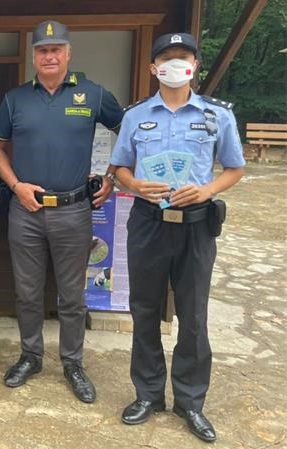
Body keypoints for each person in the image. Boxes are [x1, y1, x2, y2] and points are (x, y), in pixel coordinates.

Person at [110, 33, 245, 443]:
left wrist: (207, 190)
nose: (174, 64)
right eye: (166, 58)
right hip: (148, 223)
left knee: (193, 316)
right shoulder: (135, 115)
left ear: (194, 65)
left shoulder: (216, 115)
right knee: (144, 310)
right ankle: (148, 394)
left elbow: (234, 168)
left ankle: (190, 402)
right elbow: (120, 167)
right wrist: (136, 185)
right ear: (153, 68)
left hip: (196, 227)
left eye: (182, 57)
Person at [0, 20, 123, 403]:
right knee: (27, 292)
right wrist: (15, 185)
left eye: (56, 49)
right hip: (26, 210)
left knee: (72, 296)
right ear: (34, 56)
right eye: (42, 50)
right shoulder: (15, 99)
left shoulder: (93, 94)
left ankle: (73, 364)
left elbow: (128, 133)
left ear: (68, 53)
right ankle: (30, 357)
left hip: (73, 209)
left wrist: (112, 175)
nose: (49, 56)